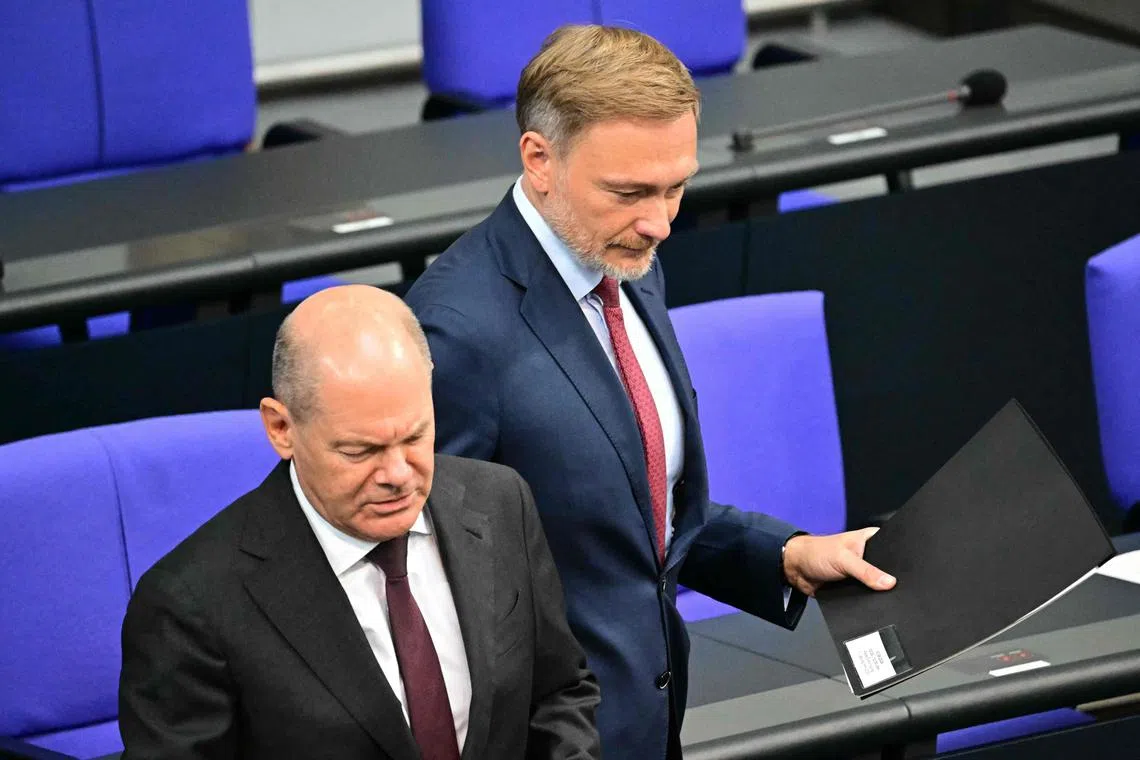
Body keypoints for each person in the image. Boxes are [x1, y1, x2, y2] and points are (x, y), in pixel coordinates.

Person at [404, 24, 896, 760]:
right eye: (631, 191)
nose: (660, 222)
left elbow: (631, 516)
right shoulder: (455, 332)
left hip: (650, 721)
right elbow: (422, 586)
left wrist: (785, 556)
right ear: (539, 159)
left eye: (676, 187)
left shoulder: (624, 262)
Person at [119, 285, 601, 760]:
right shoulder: (191, 605)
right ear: (281, 429)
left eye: (415, 436)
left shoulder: (499, 502)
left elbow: (557, 692)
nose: (397, 475)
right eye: (360, 451)